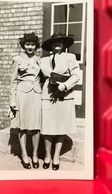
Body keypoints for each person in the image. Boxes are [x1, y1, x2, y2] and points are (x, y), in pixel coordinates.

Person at [40, 32, 80, 170]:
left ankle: (56, 156)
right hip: (47, 95)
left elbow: (76, 75)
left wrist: (64, 86)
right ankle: (47, 156)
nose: (57, 44)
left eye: (60, 42)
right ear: (51, 45)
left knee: (61, 127)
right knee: (47, 127)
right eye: (55, 42)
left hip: (65, 95)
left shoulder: (70, 57)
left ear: (63, 45)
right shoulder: (43, 60)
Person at [9, 32, 42, 169]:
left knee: (36, 127)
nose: (30, 47)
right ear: (23, 45)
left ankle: (34, 154)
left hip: (36, 94)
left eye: (32, 44)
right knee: (22, 126)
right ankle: (24, 155)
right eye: (27, 44)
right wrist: (12, 101)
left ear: (36, 46)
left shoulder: (40, 59)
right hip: (22, 94)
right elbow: (13, 81)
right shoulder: (17, 59)